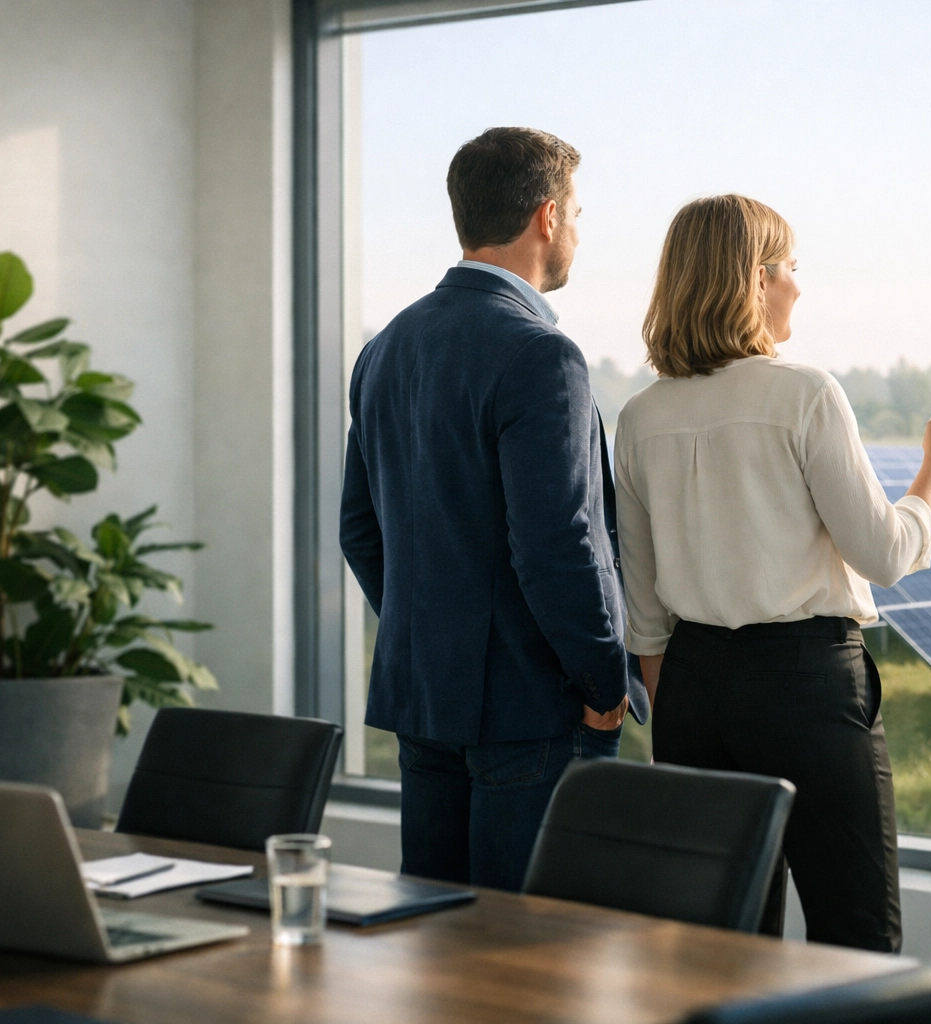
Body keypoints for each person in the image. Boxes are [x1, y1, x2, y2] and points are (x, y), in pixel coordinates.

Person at [614, 194, 931, 952]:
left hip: (690, 693)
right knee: (856, 940)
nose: (798, 287)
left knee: (717, 948)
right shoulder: (804, 393)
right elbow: (885, 554)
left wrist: (684, 711)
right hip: (806, 690)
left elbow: (644, 608)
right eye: (790, 269)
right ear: (756, 280)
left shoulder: (640, 417)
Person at [340, 127, 647, 891]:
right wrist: (604, 682)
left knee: (437, 943)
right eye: (576, 211)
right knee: (531, 959)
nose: (578, 230)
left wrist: (432, 629)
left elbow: (359, 529)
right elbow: (557, 544)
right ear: (546, 217)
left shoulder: (386, 349)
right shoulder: (541, 354)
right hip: (534, 708)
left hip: (426, 698)